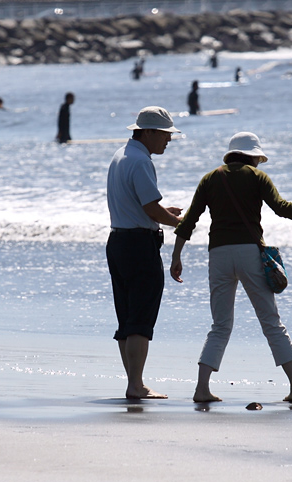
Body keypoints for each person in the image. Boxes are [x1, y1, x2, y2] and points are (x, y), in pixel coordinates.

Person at [170, 132, 292, 403]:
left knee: (220, 324)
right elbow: (281, 208)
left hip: (218, 255)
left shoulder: (210, 178)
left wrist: (177, 256)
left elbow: (189, 221)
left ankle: (201, 388)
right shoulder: (257, 177)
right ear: (253, 156)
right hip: (249, 252)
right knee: (270, 321)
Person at [106, 106, 184, 399]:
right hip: (139, 245)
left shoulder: (121, 156)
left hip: (118, 241)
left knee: (126, 319)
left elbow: (140, 206)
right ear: (148, 132)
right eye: (165, 135)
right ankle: (135, 385)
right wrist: (178, 221)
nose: (168, 141)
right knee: (140, 318)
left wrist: (164, 214)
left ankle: (133, 382)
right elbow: (149, 208)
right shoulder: (141, 162)